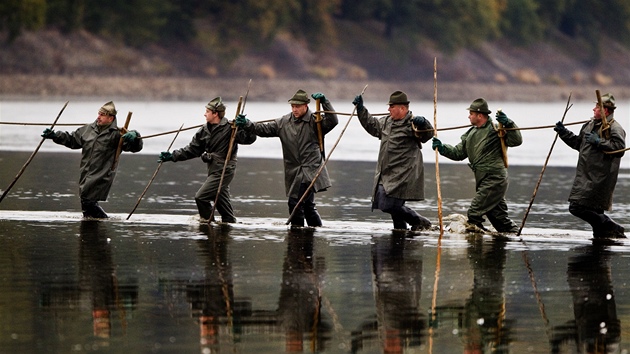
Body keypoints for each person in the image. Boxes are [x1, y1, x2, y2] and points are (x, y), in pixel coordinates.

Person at [235, 89, 338, 228]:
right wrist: (247, 124)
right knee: (308, 206)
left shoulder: (316, 121)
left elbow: (333, 121)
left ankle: (296, 233)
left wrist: (325, 102)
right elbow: (263, 129)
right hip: (294, 171)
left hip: (311, 170)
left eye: (297, 106)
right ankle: (314, 234)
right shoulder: (283, 122)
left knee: (295, 202)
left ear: (305, 106)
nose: (294, 109)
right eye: (292, 106)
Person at [158, 97, 256, 223]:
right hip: (213, 168)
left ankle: (207, 225)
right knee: (223, 205)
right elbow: (192, 150)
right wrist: (172, 156)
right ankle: (228, 225)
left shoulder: (231, 128)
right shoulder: (204, 130)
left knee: (201, 197)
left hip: (225, 169)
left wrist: (246, 125)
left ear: (215, 114)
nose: (204, 114)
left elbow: (249, 139)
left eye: (207, 111)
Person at [432, 98, 522, 233]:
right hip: (482, 179)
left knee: (474, 213)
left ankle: (475, 243)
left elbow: (516, 141)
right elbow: (458, 153)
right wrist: (442, 148)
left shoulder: (496, 128)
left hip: (494, 179)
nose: (469, 116)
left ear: (480, 115)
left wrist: (508, 123)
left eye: (471, 113)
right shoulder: (470, 133)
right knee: (499, 219)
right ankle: (516, 238)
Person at [41, 101, 142, 218]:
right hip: (85, 173)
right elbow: (72, 140)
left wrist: (135, 136)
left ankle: (102, 224)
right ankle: (95, 229)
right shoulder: (87, 130)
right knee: (87, 205)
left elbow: (135, 148)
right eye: (99, 114)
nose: (98, 117)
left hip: (101, 174)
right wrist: (55, 135)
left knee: (88, 201)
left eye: (102, 115)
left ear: (111, 118)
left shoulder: (117, 134)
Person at [352, 91, 434, 231]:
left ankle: (419, 221)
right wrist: (361, 109)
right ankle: (399, 235)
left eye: (391, 106)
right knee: (392, 208)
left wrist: (424, 123)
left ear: (402, 108)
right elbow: (372, 125)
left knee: (389, 205)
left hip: (404, 173)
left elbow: (427, 134)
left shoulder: (413, 123)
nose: (388, 109)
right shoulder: (386, 122)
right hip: (387, 173)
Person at [554, 93, 626, 238]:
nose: (593, 109)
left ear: (605, 111)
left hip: (600, 178)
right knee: (597, 222)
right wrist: (563, 133)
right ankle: (606, 238)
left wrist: (599, 142)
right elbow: (578, 144)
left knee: (576, 207)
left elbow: (619, 149)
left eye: (597, 107)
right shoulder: (589, 125)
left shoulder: (615, 128)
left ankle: (610, 225)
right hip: (585, 175)